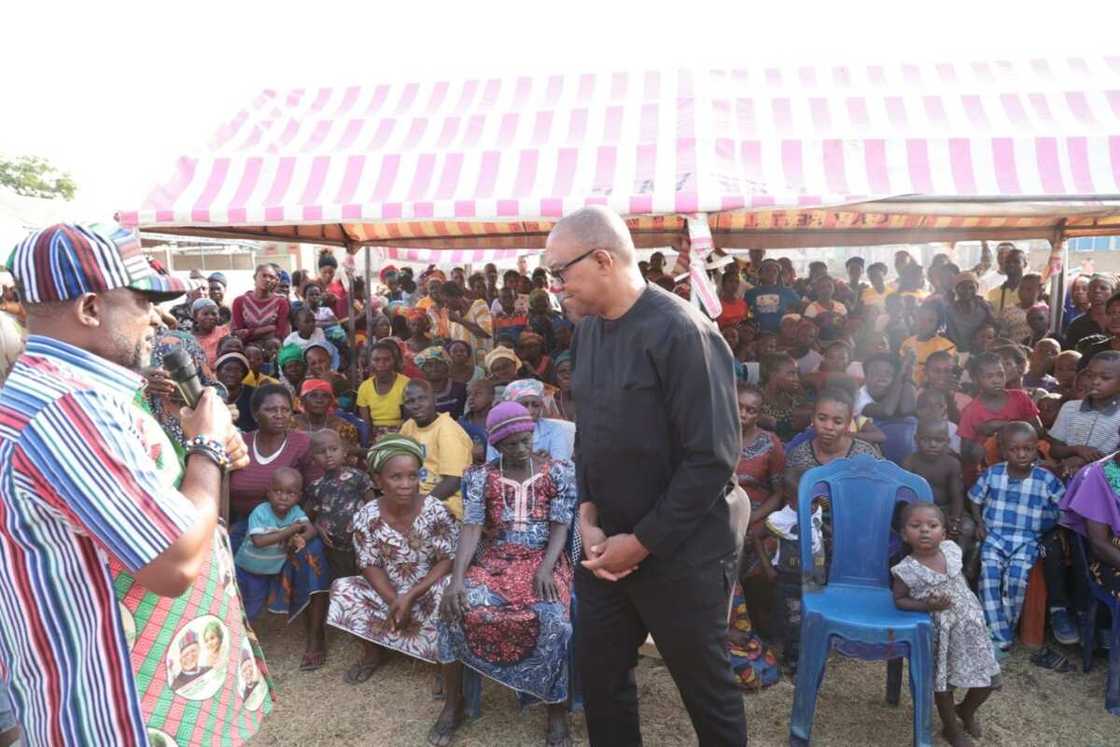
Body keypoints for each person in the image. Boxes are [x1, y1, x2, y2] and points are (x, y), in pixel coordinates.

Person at [0, 222, 268, 743]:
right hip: (119, 711)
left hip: (142, 690)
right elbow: (173, 562)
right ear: (90, 309)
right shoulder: (70, 409)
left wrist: (203, 450)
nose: (157, 316)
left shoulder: (74, 393)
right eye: (142, 300)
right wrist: (207, 446)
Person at [544, 206, 748, 745]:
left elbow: (712, 459)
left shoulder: (682, 333)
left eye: (559, 272)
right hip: (605, 548)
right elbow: (588, 434)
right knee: (602, 677)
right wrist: (587, 515)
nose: (555, 287)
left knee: (705, 688)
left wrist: (642, 543)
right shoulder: (586, 333)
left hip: (683, 551)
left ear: (604, 259)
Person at [436, 402, 577, 747]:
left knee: (553, 619)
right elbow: (471, 527)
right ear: (497, 445)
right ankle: (454, 706)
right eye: (511, 443)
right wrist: (457, 580)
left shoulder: (557, 471)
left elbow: (561, 525)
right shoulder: (480, 476)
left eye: (525, 440)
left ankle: (555, 711)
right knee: (452, 609)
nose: (520, 448)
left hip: (544, 561)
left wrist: (546, 567)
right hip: (496, 560)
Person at [328, 434, 458, 687]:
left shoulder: (435, 510)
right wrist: (395, 600)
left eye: (413, 476)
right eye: (396, 477)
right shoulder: (366, 515)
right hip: (389, 592)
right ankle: (374, 653)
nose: (406, 484)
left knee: (450, 589)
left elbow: (447, 560)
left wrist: (410, 596)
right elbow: (369, 564)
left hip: (428, 591)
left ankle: (443, 659)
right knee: (343, 589)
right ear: (378, 480)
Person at [891, 503, 1000, 747]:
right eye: (915, 526)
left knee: (990, 681)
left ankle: (966, 711)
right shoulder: (907, 570)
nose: (925, 531)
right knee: (944, 685)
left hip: (974, 630)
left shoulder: (951, 550)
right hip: (944, 636)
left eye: (932, 525)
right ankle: (951, 728)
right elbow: (899, 599)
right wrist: (926, 605)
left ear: (944, 532)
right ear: (904, 534)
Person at [967, 422, 1065, 655]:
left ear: (1036, 449)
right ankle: (1000, 637)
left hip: (1026, 540)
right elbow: (974, 498)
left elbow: (1063, 507)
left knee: (1017, 581)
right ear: (1003, 451)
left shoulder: (1044, 478)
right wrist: (979, 523)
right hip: (995, 536)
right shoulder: (993, 473)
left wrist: (1048, 523)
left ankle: (1002, 632)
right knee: (988, 577)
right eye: (1014, 449)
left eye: (1028, 449)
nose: (1022, 454)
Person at [903, 420, 976, 578]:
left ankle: (958, 567)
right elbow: (905, 497)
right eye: (926, 440)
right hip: (919, 511)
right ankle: (916, 569)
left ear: (948, 442)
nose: (933, 444)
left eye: (939, 440)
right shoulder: (910, 462)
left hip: (946, 508)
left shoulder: (952, 463)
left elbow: (957, 495)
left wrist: (955, 520)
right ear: (916, 440)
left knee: (967, 527)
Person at [303, 429, 373, 579]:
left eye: (333, 449)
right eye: (321, 452)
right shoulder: (316, 487)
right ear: (313, 458)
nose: (328, 455)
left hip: (364, 544)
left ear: (344, 451)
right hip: (335, 550)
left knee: (368, 582)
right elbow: (305, 518)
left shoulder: (358, 477)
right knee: (344, 585)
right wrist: (316, 527)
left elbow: (374, 508)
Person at [399, 379, 473, 520]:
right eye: (410, 401)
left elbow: (452, 482)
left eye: (422, 398)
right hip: (414, 497)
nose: (416, 405)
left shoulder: (447, 431)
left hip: (446, 505)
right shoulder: (409, 427)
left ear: (434, 399)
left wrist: (419, 508)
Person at [958, 354, 1043, 470]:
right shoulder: (970, 411)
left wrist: (1003, 425)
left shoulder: (1020, 398)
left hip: (1024, 462)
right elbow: (966, 454)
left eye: (1000, 374)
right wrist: (984, 437)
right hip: (989, 469)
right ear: (975, 379)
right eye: (989, 376)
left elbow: (1039, 431)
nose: (996, 381)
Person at [786, 388, 883, 477]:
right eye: (822, 419)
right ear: (812, 418)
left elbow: (886, 483)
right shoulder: (799, 456)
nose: (828, 427)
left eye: (837, 422)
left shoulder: (865, 454)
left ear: (848, 423)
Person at [487, 378, 575, 462]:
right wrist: (538, 460)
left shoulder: (555, 429)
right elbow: (492, 467)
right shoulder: (499, 431)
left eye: (535, 405)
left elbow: (561, 466)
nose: (530, 411)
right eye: (524, 405)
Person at [291, 378, 362, 458]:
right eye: (313, 395)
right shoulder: (290, 425)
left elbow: (352, 459)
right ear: (302, 400)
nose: (319, 400)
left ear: (331, 401)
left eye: (325, 396)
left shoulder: (344, 427)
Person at [232, 263, 291, 344]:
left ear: (276, 281)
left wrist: (249, 332)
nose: (267, 279)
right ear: (255, 277)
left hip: (272, 347)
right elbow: (239, 334)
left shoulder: (281, 303)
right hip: (246, 348)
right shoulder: (239, 302)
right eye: (264, 275)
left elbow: (280, 333)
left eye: (271, 277)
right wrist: (269, 328)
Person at [900, 304, 957, 386]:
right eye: (921, 319)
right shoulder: (907, 343)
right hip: (910, 388)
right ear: (915, 319)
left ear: (937, 323)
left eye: (931, 320)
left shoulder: (946, 346)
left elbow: (948, 374)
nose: (925, 324)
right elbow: (903, 369)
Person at [745, 258, 801, 334]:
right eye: (768, 270)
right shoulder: (751, 293)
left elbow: (800, 306)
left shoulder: (787, 291)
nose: (771, 273)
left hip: (781, 333)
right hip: (758, 333)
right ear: (760, 274)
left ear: (778, 274)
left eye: (775, 271)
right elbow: (745, 312)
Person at [416, 346, 467, 420]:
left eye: (439, 363)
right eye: (429, 365)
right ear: (422, 369)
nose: (434, 368)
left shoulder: (461, 389)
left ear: (447, 366)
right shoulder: (417, 392)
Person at [1066, 274, 1115, 350]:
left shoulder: (1117, 321)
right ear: (1088, 294)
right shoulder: (1077, 324)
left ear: (1113, 293)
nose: (1097, 291)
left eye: (1103, 288)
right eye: (1093, 288)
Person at [215, 351, 258, 432]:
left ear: (243, 374)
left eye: (237, 370)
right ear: (218, 373)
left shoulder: (254, 395)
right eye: (227, 369)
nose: (232, 374)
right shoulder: (209, 394)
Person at [459, 377, 495, 464]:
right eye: (469, 394)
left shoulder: (500, 420)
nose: (471, 398)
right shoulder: (461, 424)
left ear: (491, 397)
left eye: (478, 393)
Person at [191, 297, 230, 366]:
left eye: (214, 314)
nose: (210, 317)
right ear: (195, 317)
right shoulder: (190, 341)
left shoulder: (225, 331)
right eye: (205, 314)